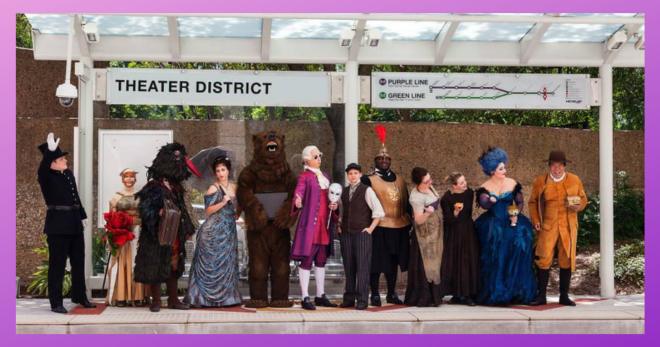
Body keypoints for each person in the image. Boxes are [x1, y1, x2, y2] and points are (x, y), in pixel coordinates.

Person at [134, 142, 201, 312]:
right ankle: (155, 300)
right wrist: (157, 213)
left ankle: (173, 300)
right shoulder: (153, 187)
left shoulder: (178, 188)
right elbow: (145, 209)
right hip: (156, 234)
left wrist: (187, 229)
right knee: (155, 264)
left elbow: (184, 209)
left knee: (174, 264)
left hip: (175, 233)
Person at [37, 132, 96, 314]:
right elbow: (42, 169)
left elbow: (75, 195)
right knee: (58, 264)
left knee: (79, 261)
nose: (65, 160)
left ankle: (79, 295)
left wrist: (82, 215)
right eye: (61, 158)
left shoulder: (68, 174)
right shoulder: (46, 176)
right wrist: (50, 153)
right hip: (57, 225)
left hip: (74, 222)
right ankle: (56, 302)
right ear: (53, 162)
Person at [474, 147, 536, 305]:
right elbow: (484, 204)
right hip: (493, 222)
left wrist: (514, 214)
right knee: (497, 249)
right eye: (501, 168)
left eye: (504, 167)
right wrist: (489, 200)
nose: (505, 170)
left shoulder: (512, 183)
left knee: (521, 241)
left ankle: (518, 291)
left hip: (512, 218)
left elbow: (520, 201)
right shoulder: (485, 187)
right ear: (492, 170)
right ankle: (498, 291)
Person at [528, 151, 588, 306]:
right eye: (553, 165)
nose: (557, 169)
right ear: (549, 166)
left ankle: (564, 296)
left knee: (566, 259)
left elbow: (583, 199)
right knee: (543, 258)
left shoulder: (575, 180)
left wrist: (578, 205)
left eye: (560, 165)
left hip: (568, 226)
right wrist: (535, 220)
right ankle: (541, 296)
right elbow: (533, 202)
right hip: (548, 226)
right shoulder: (541, 181)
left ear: (564, 166)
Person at [361, 125, 411, 306]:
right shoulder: (368, 179)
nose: (383, 160)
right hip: (379, 226)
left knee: (393, 263)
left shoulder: (400, 179)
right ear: (375, 161)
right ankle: (374, 293)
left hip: (399, 226)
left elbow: (406, 202)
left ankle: (391, 293)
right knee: (376, 263)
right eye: (380, 158)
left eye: (386, 158)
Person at [184, 157, 242, 307]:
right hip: (213, 232)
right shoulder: (213, 188)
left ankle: (227, 298)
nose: (221, 173)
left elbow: (237, 210)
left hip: (228, 230)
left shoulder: (235, 187)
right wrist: (222, 202)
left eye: (223, 169)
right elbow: (208, 211)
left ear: (228, 170)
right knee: (212, 265)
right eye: (218, 170)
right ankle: (203, 299)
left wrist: (237, 212)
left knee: (227, 263)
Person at [291, 145, 339, 310]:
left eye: (319, 156)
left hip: (325, 225)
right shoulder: (305, 176)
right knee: (306, 260)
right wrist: (298, 200)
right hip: (311, 225)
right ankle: (304, 296)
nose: (319, 159)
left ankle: (320, 295)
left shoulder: (325, 176)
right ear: (307, 160)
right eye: (316, 156)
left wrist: (335, 206)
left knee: (321, 260)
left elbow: (332, 196)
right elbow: (299, 192)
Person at [338, 163, 385, 310]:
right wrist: (339, 225)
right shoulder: (344, 192)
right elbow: (341, 212)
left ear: (360, 174)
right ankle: (349, 298)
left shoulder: (367, 190)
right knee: (349, 267)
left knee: (363, 268)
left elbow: (379, 211)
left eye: (355, 173)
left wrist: (370, 229)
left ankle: (362, 300)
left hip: (362, 234)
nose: (352, 176)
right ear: (347, 176)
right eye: (350, 173)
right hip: (346, 234)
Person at [105, 168, 149, 307]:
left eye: (131, 177)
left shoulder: (141, 196)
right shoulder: (116, 197)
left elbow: (146, 214)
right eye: (126, 176)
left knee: (136, 261)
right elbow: (111, 216)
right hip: (122, 234)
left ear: (135, 179)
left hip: (138, 232)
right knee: (122, 262)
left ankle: (138, 296)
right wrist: (113, 233)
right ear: (122, 179)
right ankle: (121, 296)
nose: (129, 179)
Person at [404, 167, 443, 307]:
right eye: (426, 181)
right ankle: (424, 297)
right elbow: (418, 220)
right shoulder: (416, 198)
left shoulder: (429, 187)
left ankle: (435, 296)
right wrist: (428, 212)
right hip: (423, 235)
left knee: (434, 263)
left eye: (429, 179)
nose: (430, 182)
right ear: (419, 183)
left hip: (434, 233)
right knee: (424, 265)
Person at [439, 172, 479, 306]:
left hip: (467, 231)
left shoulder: (469, 194)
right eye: (461, 183)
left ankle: (468, 294)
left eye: (465, 181)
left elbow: (468, 212)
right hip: (454, 233)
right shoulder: (446, 198)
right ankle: (456, 293)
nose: (465, 184)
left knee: (468, 261)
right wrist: (455, 212)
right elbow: (448, 220)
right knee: (455, 262)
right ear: (454, 186)